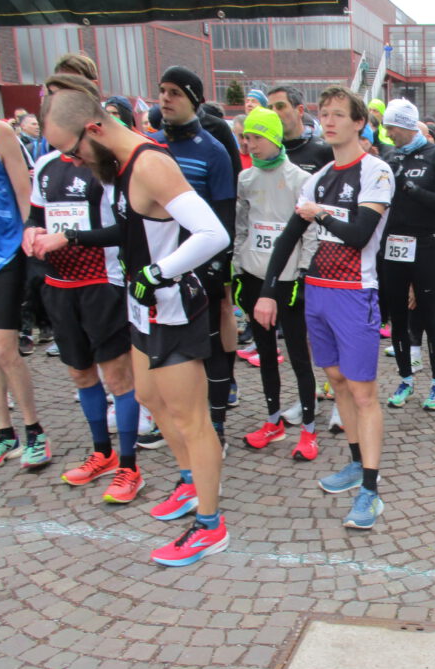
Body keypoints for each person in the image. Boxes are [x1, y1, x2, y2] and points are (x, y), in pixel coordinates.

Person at [41, 81, 230, 565]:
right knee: (148, 397)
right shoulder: (119, 166)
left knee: (193, 419)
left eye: (72, 150)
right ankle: (189, 484)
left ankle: (211, 525)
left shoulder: (150, 163)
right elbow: (131, 232)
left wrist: (158, 272)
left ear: (94, 129)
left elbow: (213, 233)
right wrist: (73, 238)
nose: (73, 162)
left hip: (172, 309)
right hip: (141, 306)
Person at [254, 86, 394, 530]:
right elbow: (288, 237)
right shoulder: (318, 178)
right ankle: (355, 463)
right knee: (335, 379)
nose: (329, 121)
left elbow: (359, 234)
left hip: (356, 291)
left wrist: (321, 214)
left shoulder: (377, 172)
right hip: (317, 288)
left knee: (363, 391)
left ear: (359, 123)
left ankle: (371, 493)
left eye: (338, 115)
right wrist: (268, 290)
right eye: (324, 114)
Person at [22, 132, 143, 502]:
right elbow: (35, 215)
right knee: (80, 373)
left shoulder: (105, 167)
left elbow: (124, 230)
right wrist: (30, 231)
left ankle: (129, 466)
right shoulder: (45, 164)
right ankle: (102, 453)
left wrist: (71, 238)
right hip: (59, 286)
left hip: (101, 284)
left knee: (118, 377)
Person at [150, 66, 236, 454]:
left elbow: (224, 216)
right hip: (156, 266)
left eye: (175, 93)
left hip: (201, 267)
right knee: (165, 348)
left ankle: (215, 422)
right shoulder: (148, 147)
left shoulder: (213, 152)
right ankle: (173, 418)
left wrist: (216, 271)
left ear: (194, 100)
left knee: (212, 348)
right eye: (162, 91)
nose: (166, 99)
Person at [233, 107, 319, 459]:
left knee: (298, 353)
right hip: (254, 276)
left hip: (287, 281)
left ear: (272, 137)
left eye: (255, 137)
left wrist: (301, 273)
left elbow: (311, 232)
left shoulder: (300, 179)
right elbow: (241, 225)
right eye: (246, 138)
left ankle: (310, 430)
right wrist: (238, 266)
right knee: (266, 352)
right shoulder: (246, 179)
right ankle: (273, 421)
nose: (249, 144)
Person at [0, 104, 51, 470]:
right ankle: (4, 433)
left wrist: (30, 242)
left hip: (2, 256)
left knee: (3, 349)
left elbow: (24, 194)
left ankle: (35, 431)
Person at [379, 98, 435, 410]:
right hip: (392, 245)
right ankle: (406, 378)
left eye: (391, 128)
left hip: (422, 243)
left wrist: (409, 189)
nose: (388, 133)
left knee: (428, 316)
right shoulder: (390, 155)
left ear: (406, 126)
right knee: (397, 317)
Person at [267, 85, 334, 175]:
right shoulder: (268, 151)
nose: (274, 113)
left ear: (300, 110)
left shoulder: (324, 150)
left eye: (280, 106)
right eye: (270, 108)